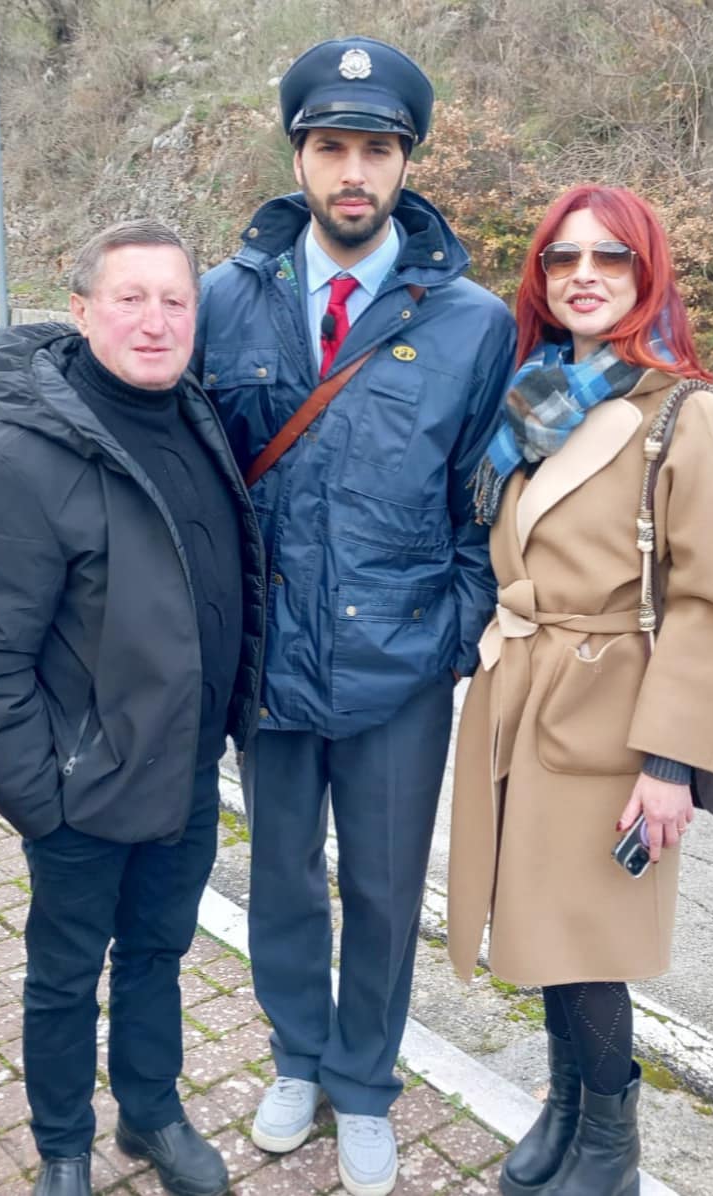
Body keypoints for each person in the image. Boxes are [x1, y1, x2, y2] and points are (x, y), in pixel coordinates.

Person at [193, 35, 516, 1196]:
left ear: (405, 164)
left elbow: (487, 493)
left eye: (375, 150)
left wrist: (454, 624)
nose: (352, 172)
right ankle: (296, 1057)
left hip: (400, 665)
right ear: (298, 154)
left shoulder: (474, 323)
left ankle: (367, 1082)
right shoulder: (225, 301)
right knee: (283, 872)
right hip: (270, 660)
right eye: (331, 146)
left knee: (382, 887)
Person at [0, 219, 266, 1196]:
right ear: (80, 312)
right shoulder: (24, 456)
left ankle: (151, 1112)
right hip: (80, 790)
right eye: (131, 297)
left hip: (187, 767)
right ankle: (65, 1146)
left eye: (174, 300)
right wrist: (44, 798)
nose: (154, 321)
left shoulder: (196, 418)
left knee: (158, 951)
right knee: (66, 975)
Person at [446, 185, 713, 1196]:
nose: (583, 274)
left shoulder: (681, 410)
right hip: (522, 693)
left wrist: (671, 761)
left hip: (612, 716)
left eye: (610, 256)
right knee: (540, 921)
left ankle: (612, 1147)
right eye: (561, 257)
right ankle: (567, 1105)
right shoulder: (532, 398)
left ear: (646, 271)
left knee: (590, 938)